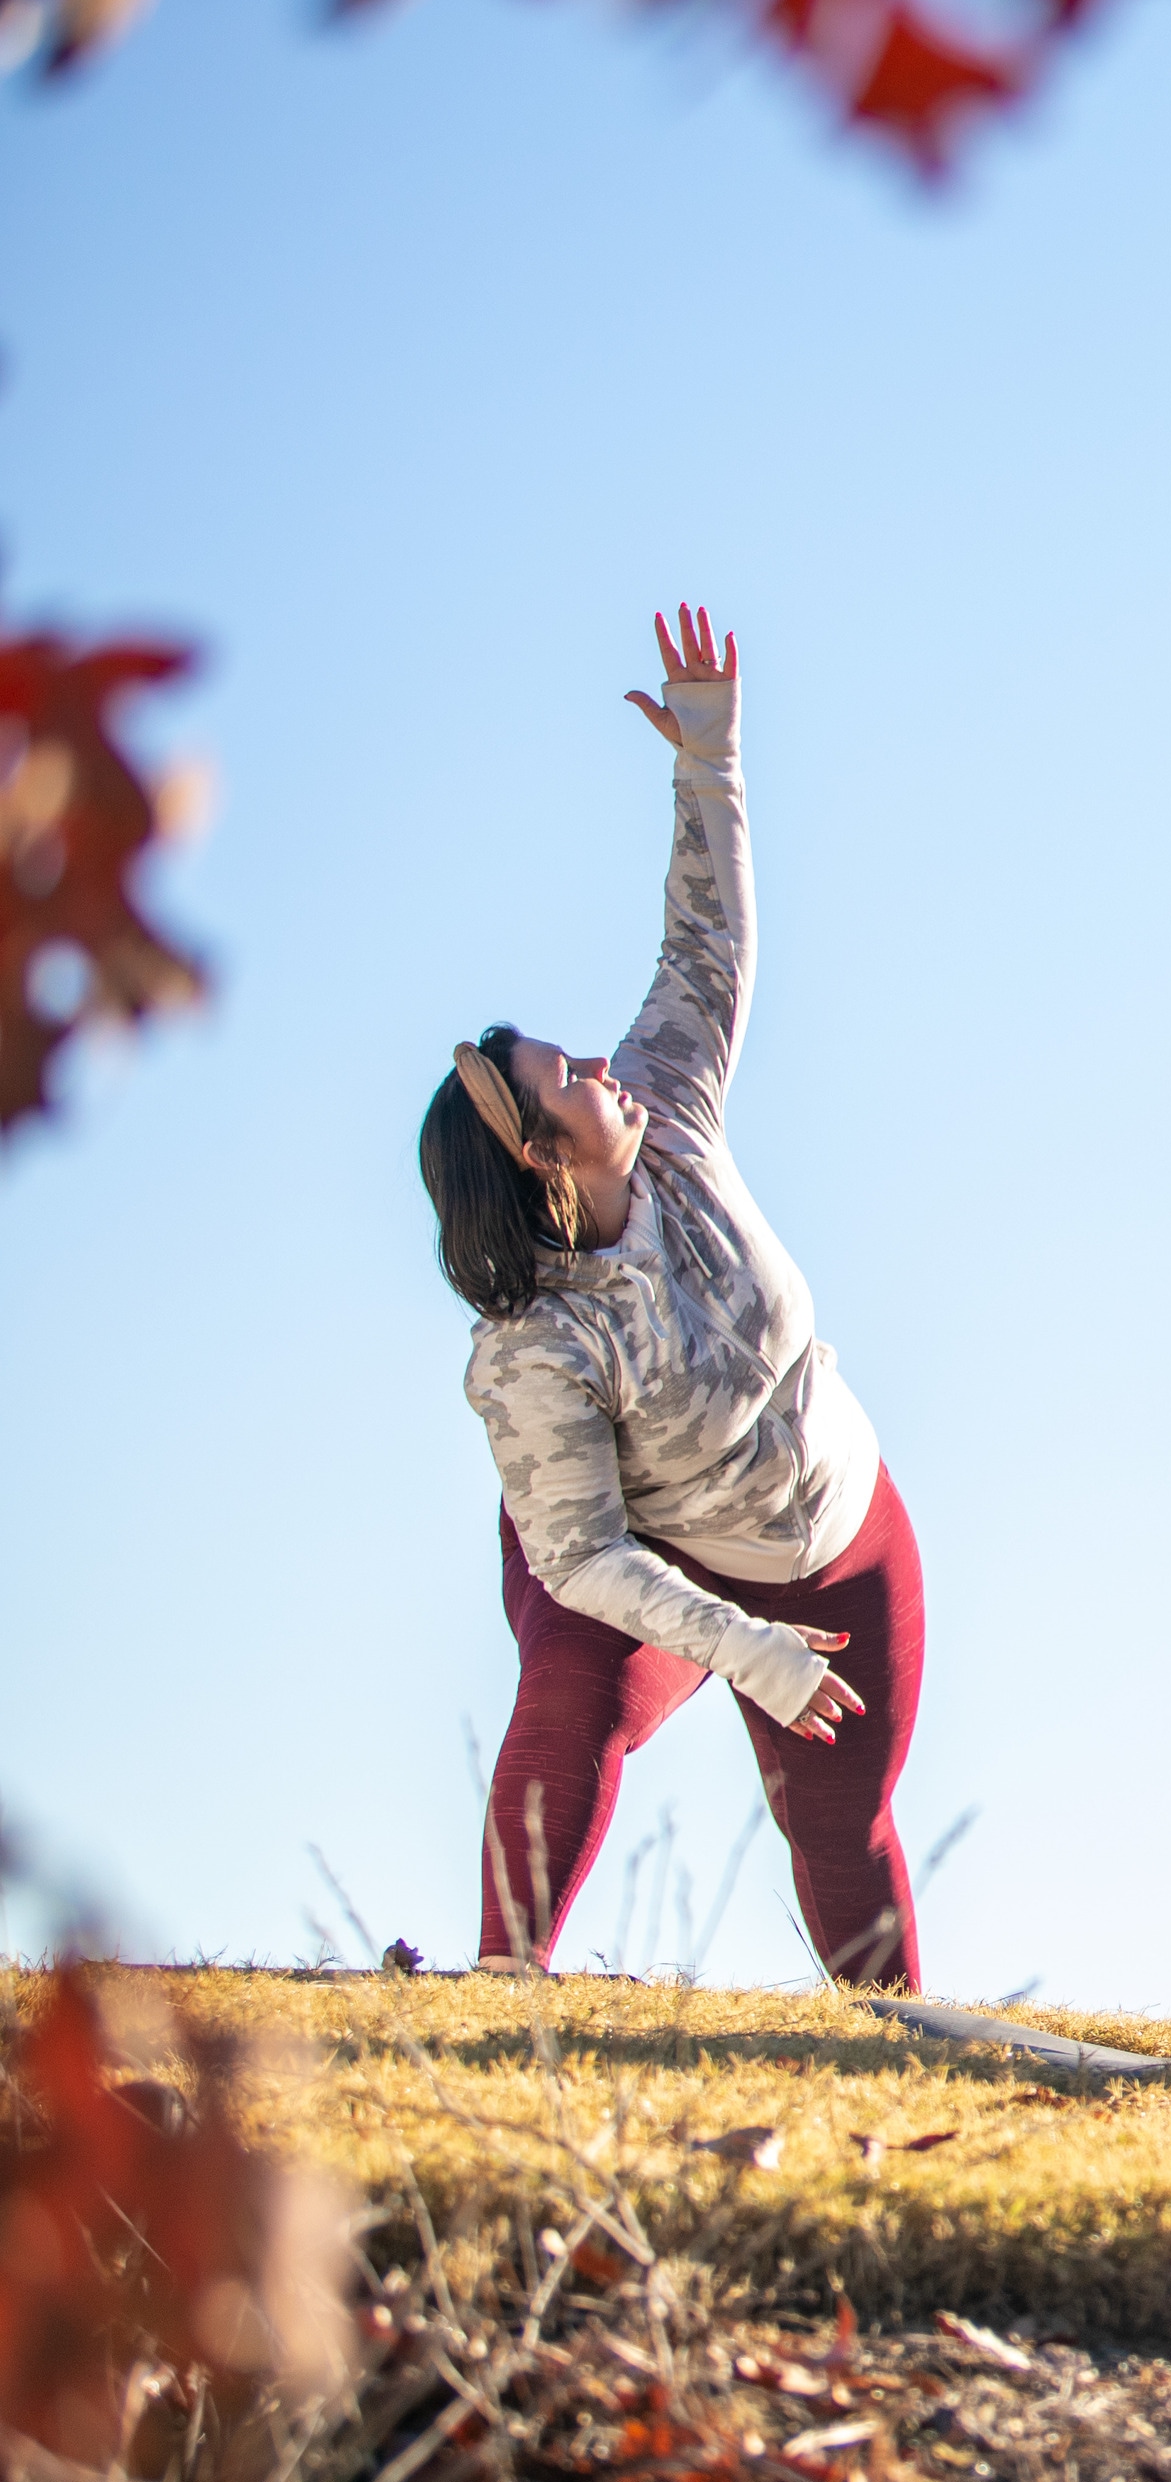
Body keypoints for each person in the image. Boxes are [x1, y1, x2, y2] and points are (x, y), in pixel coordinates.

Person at [413, 604, 926, 1987]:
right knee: (568, 1692)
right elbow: (581, 1555)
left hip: (832, 1530)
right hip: (639, 1549)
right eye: (567, 1076)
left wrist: (714, 762)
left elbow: (706, 950)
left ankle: (906, 2064)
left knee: (841, 1825)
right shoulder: (535, 1351)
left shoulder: (671, 1115)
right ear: (535, 1155)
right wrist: (743, 1649)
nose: (604, 1068)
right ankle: (502, 2004)